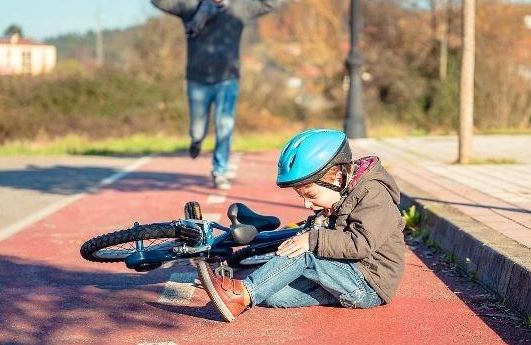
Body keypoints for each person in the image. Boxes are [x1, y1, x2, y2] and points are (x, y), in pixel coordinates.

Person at [200, 128, 406, 322]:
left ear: (339, 178)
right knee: (274, 296)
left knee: (307, 251)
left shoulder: (374, 195)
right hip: (345, 274)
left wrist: (312, 239)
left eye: (311, 195)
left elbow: (360, 242)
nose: (307, 204)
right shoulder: (340, 193)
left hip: (368, 283)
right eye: (302, 197)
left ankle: (241, 295)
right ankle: (248, 288)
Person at [151, 0, 285, 189]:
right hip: (197, 79)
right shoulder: (191, 7)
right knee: (198, 129)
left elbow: (270, 4)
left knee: (225, 126)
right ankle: (196, 140)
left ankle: (219, 171)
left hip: (227, 80)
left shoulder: (240, 8)